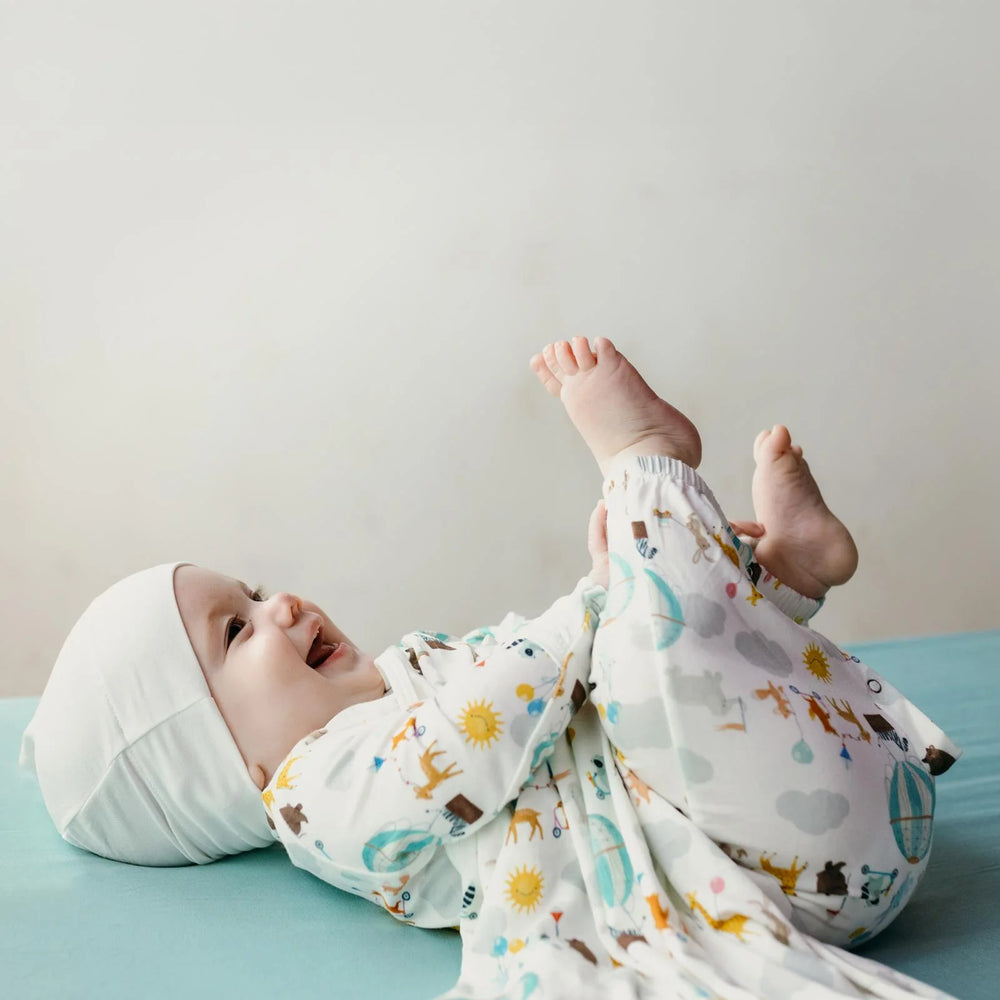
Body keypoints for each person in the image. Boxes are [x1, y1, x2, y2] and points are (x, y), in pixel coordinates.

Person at [21, 338, 959, 999]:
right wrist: (598, 598)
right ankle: (649, 464)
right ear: (228, 768)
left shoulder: (411, 676)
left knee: (661, 655)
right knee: (647, 655)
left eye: (256, 591)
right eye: (237, 631)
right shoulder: (317, 799)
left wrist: (612, 597)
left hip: (814, 778)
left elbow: (573, 696)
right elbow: (473, 737)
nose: (284, 605)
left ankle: (785, 577)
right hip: (783, 864)